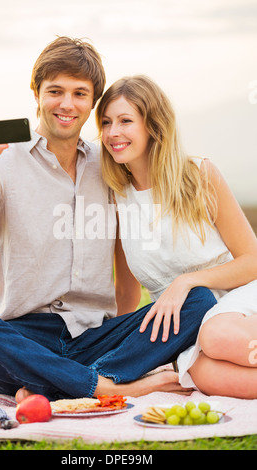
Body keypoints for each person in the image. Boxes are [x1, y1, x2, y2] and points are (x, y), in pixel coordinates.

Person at [0, 38, 216, 403]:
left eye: (80, 93)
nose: (67, 104)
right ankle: (105, 385)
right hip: (24, 338)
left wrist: (131, 343)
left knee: (198, 302)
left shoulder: (109, 163)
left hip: (96, 336)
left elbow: (126, 279)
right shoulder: (3, 161)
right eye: (55, 91)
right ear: (36, 93)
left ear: (92, 101)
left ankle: (54, 383)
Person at [96, 74, 257, 399]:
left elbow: (252, 261)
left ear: (153, 126)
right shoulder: (117, 197)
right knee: (199, 373)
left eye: (125, 120)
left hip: (240, 301)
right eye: (106, 122)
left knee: (217, 335)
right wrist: (125, 344)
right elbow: (127, 290)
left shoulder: (199, 175)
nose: (113, 133)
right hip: (185, 322)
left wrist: (186, 282)